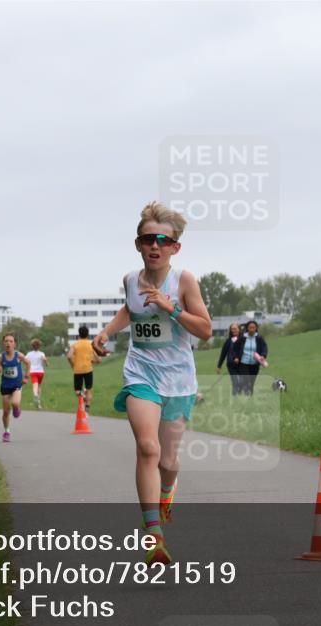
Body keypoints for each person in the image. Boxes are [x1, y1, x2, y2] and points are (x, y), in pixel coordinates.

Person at [93, 201, 212, 566]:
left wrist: (170, 307)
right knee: (148, 448)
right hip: (141, 372)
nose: (155, 246)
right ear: (138, 244)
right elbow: (130, 309)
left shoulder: (184, 281)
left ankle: (167, 489)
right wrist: (107, 332)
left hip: (178, 379)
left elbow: (205, 330)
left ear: (175, 247)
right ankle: (153, 535)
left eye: (164, 240)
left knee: (169, 460)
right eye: (148, 239)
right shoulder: (131, 280)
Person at [0, 332, 27, 442]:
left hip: (17, 384)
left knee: (15, 403)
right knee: (6, 412)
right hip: (5, 386)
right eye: (6, 341)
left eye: (11, 341)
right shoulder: (0, 357)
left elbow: (28, 363)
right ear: (3, 343)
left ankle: (17, 409)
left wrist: (26, 376)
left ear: (14, 344)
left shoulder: (19, 355)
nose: (8, 343)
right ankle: (7, 431)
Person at [232, 320, 268, 396]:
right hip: (244, 362)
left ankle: (250, 393)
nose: (251, 329)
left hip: (255, 362)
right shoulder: (243, 338)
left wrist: (263, 355)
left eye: (253, 327)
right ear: (247, 328)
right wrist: (236, 357)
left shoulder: (259, 338)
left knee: (252, 380)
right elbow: (235, 348)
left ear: (256, 328)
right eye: (250, 327)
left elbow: (264, 347)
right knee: (246, 379)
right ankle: (247, 393)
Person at [67, 326, 99, 412]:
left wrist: (72, 365)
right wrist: (92, 361)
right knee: (89, 389)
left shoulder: (75, 345)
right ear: (88, 334)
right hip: (88, 370)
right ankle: (87, 406)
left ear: (79, 334)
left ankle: (83, 397)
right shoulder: (90, 345)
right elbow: (98, 359)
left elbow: (69, 356)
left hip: (78, 370)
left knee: (77, 391)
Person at [216, 322, 243, 396]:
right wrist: (219, 366)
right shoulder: (228, 341)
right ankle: (235, 395)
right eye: (232, 329)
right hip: (231, 365)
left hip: (241, 364)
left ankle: (239, 393)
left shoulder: (243, 340)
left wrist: (239, 358)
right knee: (235, 381)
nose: (233, 330)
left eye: (235, 329)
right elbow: (223, 354)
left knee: (241, 380)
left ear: (239, 329)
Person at [25, 339, 48, 409]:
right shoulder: (42, 354)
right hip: (40, 372)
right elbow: (45, 361)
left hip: (33, 372)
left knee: (35, 385)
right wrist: (46, 362)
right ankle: (38, 403)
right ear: (39, 346)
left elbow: (25, 360)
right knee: (39, 386)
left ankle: (35, 395)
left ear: (32, 346)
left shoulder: (29, 354)